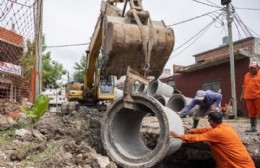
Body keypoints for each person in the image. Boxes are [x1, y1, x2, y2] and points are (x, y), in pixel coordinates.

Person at [169, 111, 255, 168]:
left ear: (211, 122)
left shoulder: (217, 133)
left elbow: (196, 138)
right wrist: (192, 130)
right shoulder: (224, 127)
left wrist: (179, 136)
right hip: (243, 161)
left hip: (239, 165)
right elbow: (207, 130)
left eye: (208, 120)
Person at [240, 61, 260, 132]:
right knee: (251, 113)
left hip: (258, 97)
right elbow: (244, 86)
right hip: (248, 97)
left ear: (257, 67)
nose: (252, 69)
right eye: (251, 68)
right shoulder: (246, 75)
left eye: (254, 68)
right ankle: (253, 128)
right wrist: (242, 95)